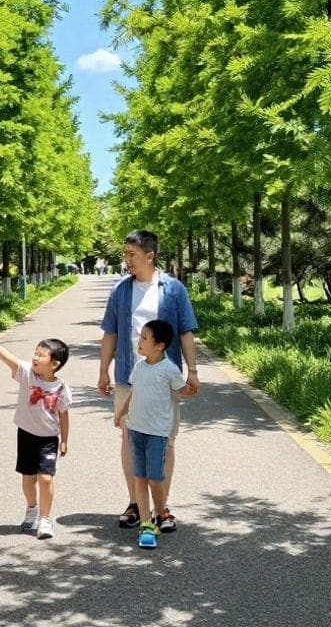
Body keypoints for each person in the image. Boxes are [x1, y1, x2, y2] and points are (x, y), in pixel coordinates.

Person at [98, 229, 199, 533]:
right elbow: (110, 333)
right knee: (130, 441)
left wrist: (191, 370)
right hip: (130, 377)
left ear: (150, 256)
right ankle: (135, 504)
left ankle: (162, 507)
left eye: (132, 254)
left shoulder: (174, 290)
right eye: (125, 254)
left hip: (164, 379)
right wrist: (103, 370)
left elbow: (185, 332)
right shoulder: (120, 290)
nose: (127, 260)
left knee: (164, 442)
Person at [0, 332, 72, 539]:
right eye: (35, 353)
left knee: (46, 478)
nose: (35, 358)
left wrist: (64, 440)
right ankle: (32, 508)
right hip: (26, 435)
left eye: (41, 355)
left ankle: (45, 520)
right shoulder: (27, 374)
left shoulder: (62, 388)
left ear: (54, 364)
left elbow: (64, 415)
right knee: (28, 479)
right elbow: (9, 360)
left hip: (48, 439)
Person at [114, 319, 187, 548]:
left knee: (155, 479)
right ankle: (146, 525)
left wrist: (193, 387)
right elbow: (133, 392)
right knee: (140, 478)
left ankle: (161, 512)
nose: (140, 341)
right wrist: (121, 413)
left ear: (160, 346)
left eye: (145, 338)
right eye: (141, 337)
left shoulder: (169, 370)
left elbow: (182, 390)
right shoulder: (139, 367)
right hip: (136, 430)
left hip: (157, 433)